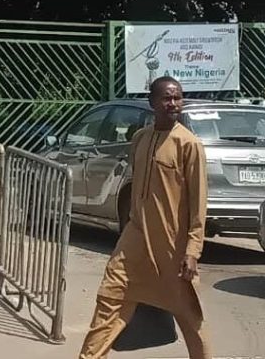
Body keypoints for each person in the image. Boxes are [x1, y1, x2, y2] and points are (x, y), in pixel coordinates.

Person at [77, 76, 210, 359]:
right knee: (110, 296)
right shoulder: (141, 139)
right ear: (152, 102)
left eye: (177, 97)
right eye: (166, 98)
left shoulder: (189, 145)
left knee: (188, 314)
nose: (173, 103)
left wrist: (192, 250)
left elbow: (198, 204)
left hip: (171, 246)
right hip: (135, 239)